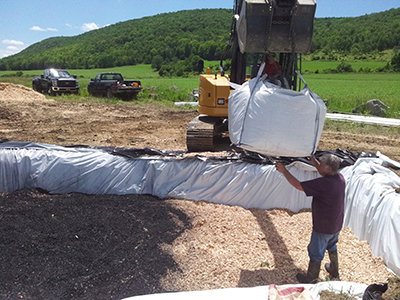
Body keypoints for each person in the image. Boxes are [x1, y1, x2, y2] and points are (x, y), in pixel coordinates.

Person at [275, 154, 345, 283]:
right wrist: (314, 161)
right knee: (332, 245)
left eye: (321, 164)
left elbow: (299, 186)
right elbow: (323, 171)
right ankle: (334, 270)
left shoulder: (324, 184)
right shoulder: (340, 178)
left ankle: (311, 278)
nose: (319, 165)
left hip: (323, 225)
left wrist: (284, 171)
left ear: (329, 169)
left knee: (315, 251)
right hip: (336, 223)